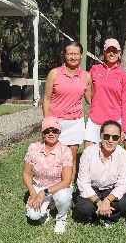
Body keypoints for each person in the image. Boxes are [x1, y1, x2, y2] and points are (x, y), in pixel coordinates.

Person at [42, 40, 92, 184]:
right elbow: (46, 99)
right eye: (69, 53)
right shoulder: (54, 73)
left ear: (81, 55)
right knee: (53, 155)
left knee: (71, 158)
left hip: (75, 122)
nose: (73, 57)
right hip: (56, 121)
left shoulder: (86, 76)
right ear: (65, 55)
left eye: (76, 54)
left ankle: (68, 187)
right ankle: (50, 186)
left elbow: (90, 100)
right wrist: (47, 122)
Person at [22, 116, 73, 234]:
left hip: (59, 186)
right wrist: (33, 192)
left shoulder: (65, 151)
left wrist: (43, 193)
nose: (51, 134)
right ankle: (48, 208)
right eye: (47, 131)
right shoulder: (33, 148)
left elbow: (66, 181)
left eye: (54, 131)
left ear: (59, 132)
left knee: (63, 197)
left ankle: (61, 218)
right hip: (39, 185)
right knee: (33, 216)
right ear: (42, 133)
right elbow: (26, 173)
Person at [76, 120, 126, 228]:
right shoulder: (89, 152)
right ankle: (91, 218)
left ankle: (110, 218)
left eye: (115, 137)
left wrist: (107, 200)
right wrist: (99, 202)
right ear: (100, 136)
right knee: (85, 205)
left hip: (110, 189)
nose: (110, 140)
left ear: (120, 139)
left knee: (123, 201)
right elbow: (83, 182)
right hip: (92, 188)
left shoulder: (123, 155)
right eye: (106, 136)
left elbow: (123, 183)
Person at [84, 38, 126, 149]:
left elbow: (125, 103)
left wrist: (124, 128)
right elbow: (85, 85)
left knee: (108, 157)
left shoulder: (124, 76)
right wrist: (92, 102)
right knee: (88, 153)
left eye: (115, 51)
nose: (111, 53)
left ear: (119, 53)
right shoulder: (95, 69)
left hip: (113, 120)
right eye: (108, 50)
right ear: (104, 52)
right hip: (94, 119)